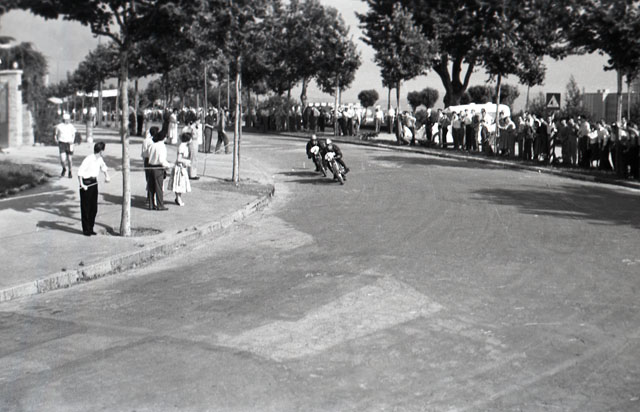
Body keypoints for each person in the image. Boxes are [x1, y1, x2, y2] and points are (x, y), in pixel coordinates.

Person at [77, 142, 111, 236]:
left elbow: (103, 167)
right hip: (86, 184)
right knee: (86, 208)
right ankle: (86, 229)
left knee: (94, 208)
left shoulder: (99, 159)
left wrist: (107, 176)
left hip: (94, 183)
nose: (104, 152)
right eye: (104, 150)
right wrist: (82, 184)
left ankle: (91, 228)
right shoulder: (89, 159)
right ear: (101, 151)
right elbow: (80, 172)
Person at [147, 131, 172, 210]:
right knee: (158, 187)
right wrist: (168, 165)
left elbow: (148, 155)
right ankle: (160, 205)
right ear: (164, 138)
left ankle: (151, 204)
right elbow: (161, 160)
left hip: (150, 166)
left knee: (151, 187)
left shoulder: (152, 145)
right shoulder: (162, 147)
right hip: (158, 168)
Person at [169, 132, 192, 206]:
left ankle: (178, 198)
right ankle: (178, 198)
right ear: (188, 139)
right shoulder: (182, 147)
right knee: (179, 183)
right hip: (179, 168)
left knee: (182, 184)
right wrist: (186, 161)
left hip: (183, 167)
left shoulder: (185, 146)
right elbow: (179, 159)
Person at [54, 113, 77, 178]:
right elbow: (55, 134)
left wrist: (73, 141)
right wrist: (56, 139)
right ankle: (64, 168)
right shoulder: (59, 126)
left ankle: (70, 171)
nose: (68, 121)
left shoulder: (71, 126)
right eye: (66, 120)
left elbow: (74, 134)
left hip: (69, 144)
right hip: (62, 143)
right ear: (64, 120)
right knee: (63, 159)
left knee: (69, 159)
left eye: (68, 119)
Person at [141, 126, 158, 207]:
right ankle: (151, 197)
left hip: (147, 160)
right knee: (153, 179)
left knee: (148, 179)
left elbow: (143, 153)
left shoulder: (145, 141)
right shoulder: (154, 141)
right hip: (152, 160)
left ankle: (149, 197)